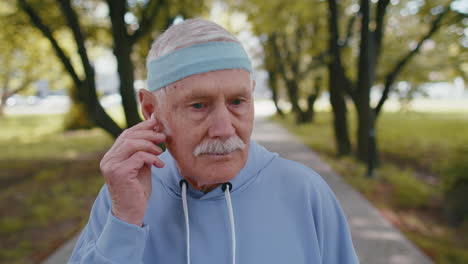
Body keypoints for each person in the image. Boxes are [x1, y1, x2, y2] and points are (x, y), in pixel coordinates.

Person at [68, 18, 358, 264]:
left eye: (237, 102)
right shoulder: (124, 194)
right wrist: (125, 221)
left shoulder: (305, 192)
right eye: (199, 105)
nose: (224, 129)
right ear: (150, 109)